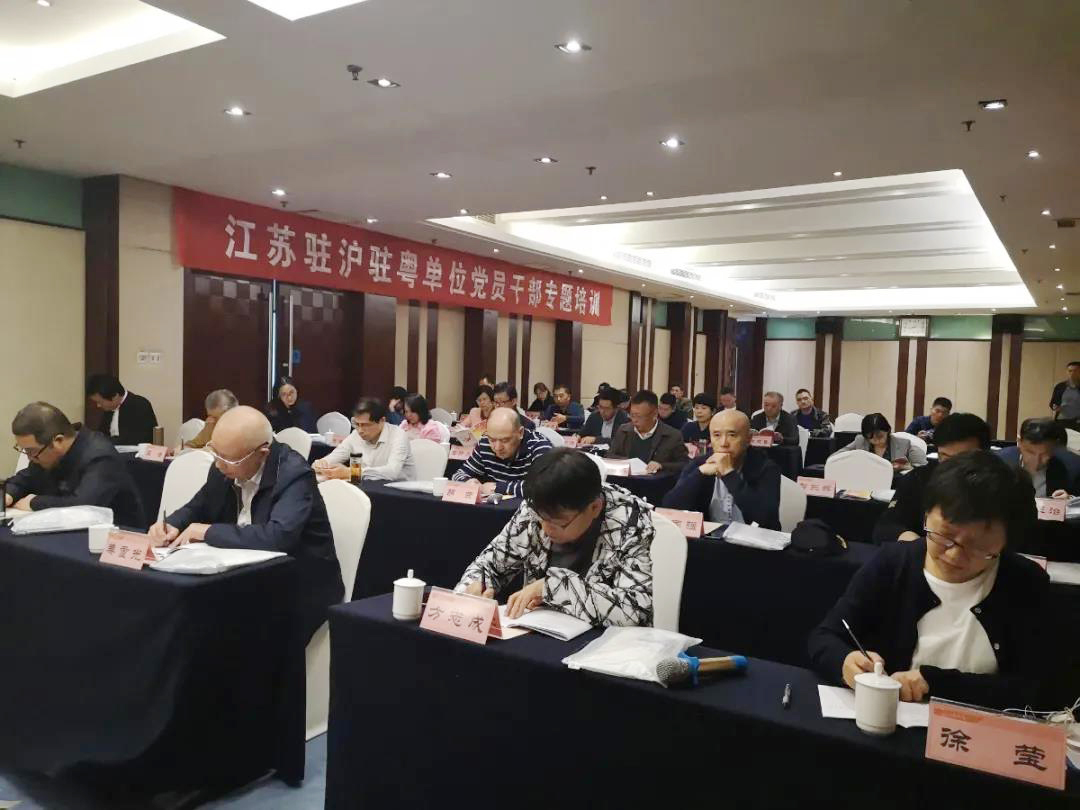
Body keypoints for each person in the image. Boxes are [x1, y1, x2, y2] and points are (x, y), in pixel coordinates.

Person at [808, 451, 1051, 710]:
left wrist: (936, 683)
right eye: (944, 535)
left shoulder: (1025, 582)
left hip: (978, 731)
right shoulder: (892, 564)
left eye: (978, 547)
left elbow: (1034, 688)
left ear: (1005, 544)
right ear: (926, 516)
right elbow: (824, 638)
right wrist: (844, 661)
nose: (954, 555)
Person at [149, 406, 342, 642]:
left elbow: (277, 537)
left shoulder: (293, 474)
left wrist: (208, 531)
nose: (219, 465)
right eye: (215, 453)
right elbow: (199, 505)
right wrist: (171, 524)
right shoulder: (224, 464)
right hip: (244, 575)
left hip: (297, 584)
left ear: (262, 452)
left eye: (229, 459)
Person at [457, 448, 654, 627]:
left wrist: (554, 587)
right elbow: (489, 564)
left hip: (605, 643)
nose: (545, 528)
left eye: (558, 523)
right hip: (541, 631)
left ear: (595, 508)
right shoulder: (537, 507)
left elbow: (634, 610)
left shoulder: (629, 521)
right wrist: (474, 587)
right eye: (541, 519)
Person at [6, 401, 145, 527]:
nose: (30, 458)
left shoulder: (101, 457)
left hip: (115, 535)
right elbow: (25, 479)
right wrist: (8, 494)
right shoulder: (44, 454)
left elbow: (84, 506)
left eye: (31, 451)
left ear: (58, 441)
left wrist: (35, 502)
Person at [873, 413, 990, 544]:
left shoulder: (995, 485)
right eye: (944, 457)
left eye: (962, 460)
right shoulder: (919, 478)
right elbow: (885, 527)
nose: (952, 467)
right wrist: (917, 544)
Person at [663, 409, 781, 529]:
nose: (723, 443)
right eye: (717, 435)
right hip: (711, 538)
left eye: (732, 435)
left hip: (753, 538)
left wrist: (728, 473)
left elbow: (765, 518)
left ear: (748, 438)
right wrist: (699, 474)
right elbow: (669, 508)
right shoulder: (700, 464)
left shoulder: (766, 468)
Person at [451, 408, 552, 497]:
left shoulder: (539, 446)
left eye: (505, 440)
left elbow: (545, 487)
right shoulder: (485, 442)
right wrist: (468, 482)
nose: (497, 447)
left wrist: (497, 488)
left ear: (520, 433)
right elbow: (458, 474)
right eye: (492, 440)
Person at [311, 397, 415, 481]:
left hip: (400, 494)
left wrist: (351, 472)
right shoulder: (356, 435)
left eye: (365, 425)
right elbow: (331, 458)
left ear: (382, 421)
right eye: (357, 424)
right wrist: (322, 464)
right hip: (367, 489)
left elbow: (392, 472)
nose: (360, 430)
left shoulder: (398, 436)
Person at [608, 390, 689, 474]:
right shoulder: (624, 430)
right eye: (632, 415)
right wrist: (628, 463)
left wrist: (661, 465)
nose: (634, 420)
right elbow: (609, 455)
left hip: (654, 481)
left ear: (655, 414)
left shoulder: (672, 436)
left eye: (639, 416)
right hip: (624, 480)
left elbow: (685, 464)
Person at [997, 418, 1080, 498]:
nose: (1036, 461)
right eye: (1030, 452)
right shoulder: (998, 462)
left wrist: (1069, 500)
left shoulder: (1072, 468)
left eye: (1044, 454)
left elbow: (1076, 500)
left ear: (1054, 447)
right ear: (1019, 442)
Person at [86, 373, 158, 445]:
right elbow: (102, 434)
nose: (98, 405)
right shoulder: (109, 408)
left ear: (115, 396)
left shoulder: (140, 404)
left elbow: (137, 439)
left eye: (100, 402)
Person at [838, 413, 927, 469]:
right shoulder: (861, 440)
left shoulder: (904, 444)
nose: (876, 441)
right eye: (870, 437)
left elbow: (924, 468)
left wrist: (907, 467)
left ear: (888, 431)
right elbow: (836, 457)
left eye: (880, 436)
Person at [1050, 361, 1080, 428]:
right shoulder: (1060, 386)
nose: (1072, 373)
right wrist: (1055, 407)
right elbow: (1053, 403)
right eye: (1070, 371)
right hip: (1062, 420)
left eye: (1075, 371)